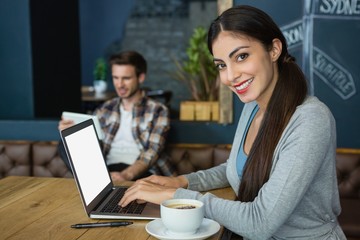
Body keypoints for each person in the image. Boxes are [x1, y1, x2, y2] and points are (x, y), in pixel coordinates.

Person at [118, 5, 346, 239]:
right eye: (221, 65)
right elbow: (234, 169)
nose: (230, 76)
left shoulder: (310, 119)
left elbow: (260, 222)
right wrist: (182, 181)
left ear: (274, 50)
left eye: (242, 56)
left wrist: (175, 196)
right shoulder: (251, 107)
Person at [58, 50, 176, 181]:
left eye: (126, 78)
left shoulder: (158, 110)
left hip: (141, 173)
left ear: (141, 77)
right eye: (115, 78)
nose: (120, 85)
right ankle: (92, 180)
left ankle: (93, 181)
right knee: (63, 144)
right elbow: (92, 148)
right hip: (107, 170)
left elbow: (152, 152)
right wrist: (71, 133)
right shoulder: (104, 109)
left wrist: (125, 175)